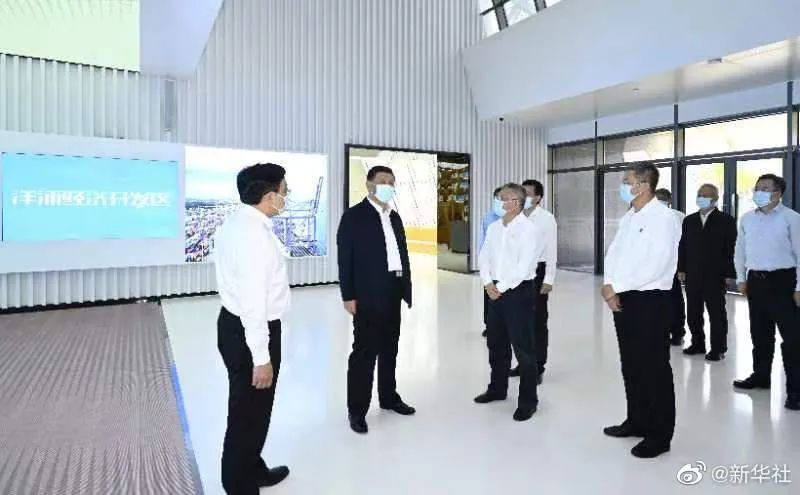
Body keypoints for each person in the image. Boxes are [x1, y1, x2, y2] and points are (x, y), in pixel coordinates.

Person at [213, 163, 291, 494]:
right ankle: (239, 485)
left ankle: (253, 468)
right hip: (250, 332)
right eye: (285, 191)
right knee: (246, 415)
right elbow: (253, 303)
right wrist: (261, 357)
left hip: (235, 325)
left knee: (255, 411)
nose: (287, 196)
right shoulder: (254, 238)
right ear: (269, 196)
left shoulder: (239, 223)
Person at [602, 164, 680, 459]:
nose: (623, 186)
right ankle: (637, 420)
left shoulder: (663, 218)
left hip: (650, 300)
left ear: (645, 184)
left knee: (654, 368)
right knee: (631, 364)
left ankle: (659, 435)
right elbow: (614, 254)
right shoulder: (630, 216)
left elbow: (656, 264)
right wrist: (610, 285)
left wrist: (616, 286)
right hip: (624, 297)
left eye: (627, 181)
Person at [337, 165, 415, 434]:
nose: (388, 186)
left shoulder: (394, 217)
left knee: (390, 347)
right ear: (369, 184)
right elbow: (345, 258)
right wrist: (348, 294)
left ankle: (389, 397)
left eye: (392, 182)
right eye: (383, 181)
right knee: (365, 352)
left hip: (393, 289)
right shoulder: (354, 217)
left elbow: (401, 254)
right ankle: (357, 410)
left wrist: (406, 287)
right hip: (368, 293)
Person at [474, 183, 543, 422]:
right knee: (496, 343)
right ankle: (497, 388)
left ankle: (528, 401)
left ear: (516, 202)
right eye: (499, 198)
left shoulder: (529, 230)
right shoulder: (494, 227)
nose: (499, 202)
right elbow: (484, 255)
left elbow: (524, 267)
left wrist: (499, 288)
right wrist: (487, 283)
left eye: (504, 198)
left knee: (523, 348)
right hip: (493, 289)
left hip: (517, 292)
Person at [733, 174, 800, 411]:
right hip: (756, 282)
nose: (758, 191)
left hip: (783, 282)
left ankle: (795, 391)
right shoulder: (747, 219)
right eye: (757, 187)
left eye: (765, 188)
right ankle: (761, 377)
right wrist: (741, 278)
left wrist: (799, 287)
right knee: (760, 335)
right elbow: (740, 250)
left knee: (792, 339)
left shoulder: (791, 218)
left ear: (777, 193)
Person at [677, 184, 737, 361]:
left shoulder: (726, 220)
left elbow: (731, 248)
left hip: (715, 274)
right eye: (699, 194)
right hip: (692, 273)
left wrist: (729, 273)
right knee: (693, 312)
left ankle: (718, 348)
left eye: (706, 195)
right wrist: (681, 268)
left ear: (715, 199)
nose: (701, 198)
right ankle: (697, 343)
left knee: (716, 313)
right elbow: (683, 246)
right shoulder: (689, 220)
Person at [509, 179, 557, 384]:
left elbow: (552, 249)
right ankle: (524, 363)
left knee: (537, 321)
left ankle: (538, 366)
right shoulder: (514, 217)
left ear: (538, 198)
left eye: (528, 193)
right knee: (519, 321)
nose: (523, 197)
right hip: (517, 272)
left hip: (538, 271)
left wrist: (549, 278)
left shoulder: (546, 219)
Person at [655, 188, 686, 347]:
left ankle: (669, 332)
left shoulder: (677, 217)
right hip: (666, 266)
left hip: (662, 266)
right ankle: (675, 333)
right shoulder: (680, 216)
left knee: (664, 300)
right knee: (672, 300)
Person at [480, 187, 504, 338]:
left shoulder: (514, 217)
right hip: (491, 264)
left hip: (507, 266)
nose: (500, 201)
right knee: (489, 295)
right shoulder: (488, 217)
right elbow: (482, 241)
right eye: (498, 198)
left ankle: (504, 326)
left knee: (505, 296)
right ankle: (489, 325)